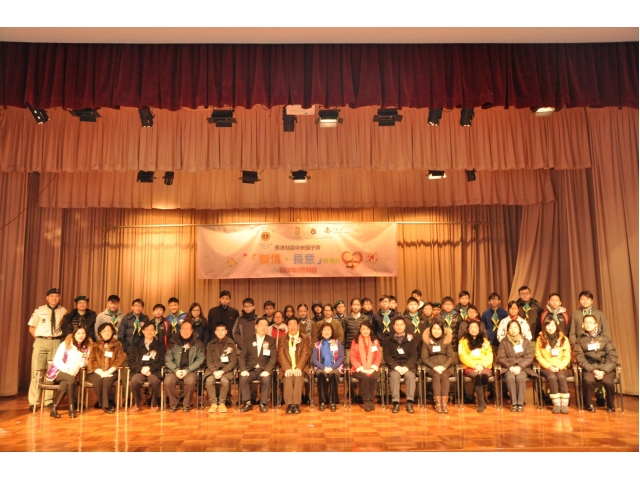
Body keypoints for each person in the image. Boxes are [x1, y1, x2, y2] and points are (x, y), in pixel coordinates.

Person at [27, 287, 67, 410]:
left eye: (57, 296)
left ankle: (48, 400)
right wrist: (41, 339)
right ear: (47, 298)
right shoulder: (39, 310)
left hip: (56, 342)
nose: (54, 298)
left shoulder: (63, 311)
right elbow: (32, 327)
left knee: (52, 372)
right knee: (37, 372)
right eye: (52, 296)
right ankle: (34, 402)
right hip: (41, 341)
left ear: (60, 298)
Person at [575, 314, 618, 413]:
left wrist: (603, 371)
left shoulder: (605, 338)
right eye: (586, 322)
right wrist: (593, 370)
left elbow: (612, 356)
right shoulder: (580, 340)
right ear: (583, 325)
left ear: (596, 324)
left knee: (608, 382)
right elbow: (580, 358)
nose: (588, 324)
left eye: (591, 322)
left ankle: (611, 404)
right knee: (587, 380)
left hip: (605, 367)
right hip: (590, 368)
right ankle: (588, 404)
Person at [47, 326, 92, 418]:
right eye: (78, 333)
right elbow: (57, 360)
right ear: (74, 334)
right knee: (71, 377)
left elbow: (86, 362)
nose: (81, 335)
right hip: (58, 371)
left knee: (65, 384)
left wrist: (78, 365)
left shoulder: (86, 347)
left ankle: (54, 409)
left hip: (73, 373)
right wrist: (68, 370)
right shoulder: (65, 344)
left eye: (83, 333)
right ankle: (71, 407)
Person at [164, 320, 205, 412]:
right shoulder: (173, 342)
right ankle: (174, 403)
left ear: (192, 331)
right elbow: (168, 358)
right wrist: (176, 370)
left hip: (190, 370)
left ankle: (186, 404)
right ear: (180, 330)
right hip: (175, 370)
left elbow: (200, 359)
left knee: (190, 382)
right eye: (183, 329)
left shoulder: (198, 343)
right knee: (168, 381)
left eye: (188, 329)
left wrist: (188, 370)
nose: (185, 331)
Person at [238, 317, 277, 412]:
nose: (263, 327)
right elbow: (242, 356)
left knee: (266, 380)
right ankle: (247, 402)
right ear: (256, 326)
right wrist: (243, 370)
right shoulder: (248, 340)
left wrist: (267, 370)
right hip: (250, 369)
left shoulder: (271, 340)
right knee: (243, 379)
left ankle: (263, 403)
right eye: (261, 325)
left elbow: (273, 358)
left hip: (264, 369)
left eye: (266, 325)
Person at [535, 317, 572, 414]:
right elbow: (538, 356)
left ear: (556, 326)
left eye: (552, 325)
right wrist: (549, 366)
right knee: (552, 377)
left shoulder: (564, 339)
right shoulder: (540, 339)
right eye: (548, 325)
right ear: (544, 327)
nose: (550, 328)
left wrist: (559, 367)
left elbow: (567, 356)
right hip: (546, 367)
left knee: (561, 376)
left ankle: (564, 403)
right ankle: (556, 403)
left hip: (561, 366)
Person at [497, 320, 535, 412]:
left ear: (519, 329)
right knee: (510, 378)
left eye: (515, 327)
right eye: (510, 328)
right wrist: (510, 367)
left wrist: (520, 367)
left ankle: (520, 403)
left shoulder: (525, 341)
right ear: (507, 330)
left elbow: (529, 357)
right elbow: (500, 358)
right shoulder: (504, 341)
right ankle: (514, 403)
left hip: (522, 368)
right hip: (509, 368)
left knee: (520, 378)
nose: (513, 330)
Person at [87, 322, 125, 414]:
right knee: (98, 381)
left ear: (112, 332)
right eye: (104, 331)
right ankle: (105, 402)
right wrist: (101, 372)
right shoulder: (95, 345)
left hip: (112, 371)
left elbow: (119, 359)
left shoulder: (117, 344)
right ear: (100, 333)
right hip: (96, 371)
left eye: (109, 331)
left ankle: (105, 405)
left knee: (107, 381)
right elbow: (92, 360)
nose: (107, 333)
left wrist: (109, 371)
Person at [128, 320, 165, 412]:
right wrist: (141, 369)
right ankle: (137, 403)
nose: (149, 332)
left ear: (155, 331)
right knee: (134, 381)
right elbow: (131, 361)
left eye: (152, 329)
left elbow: (162, 361)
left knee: (154, 381)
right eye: (147, 330)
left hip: (153, 371)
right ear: (143, 331)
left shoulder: (160, 345)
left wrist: (150, 368)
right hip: (139, 371)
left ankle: (154, 403)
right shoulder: (136, 345)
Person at [384, 317, 418, 413]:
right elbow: (387, 356)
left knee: (410, 376)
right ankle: (396, 402)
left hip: (408, 366)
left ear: (405, 326)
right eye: (397, 325)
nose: (399, 327)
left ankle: (410, 402)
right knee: (394, 376)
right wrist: (396, 366)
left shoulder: (411, 339)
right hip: (394, 366)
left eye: (401, 325)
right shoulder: (387, 340)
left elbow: (414, 356)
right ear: (393, 326)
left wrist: (407, 366)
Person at [277, 317, 311, 414]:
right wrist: (287, 368)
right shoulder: (282, 339)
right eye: (290, 325)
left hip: (301, 367)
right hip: (286, 367)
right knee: (288, 377)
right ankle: (289, 405)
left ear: (298, 326)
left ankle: (296, 404)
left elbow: (305, 354)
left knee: (298, 376)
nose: (292, 327)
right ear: (287, 326)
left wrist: (298, 368)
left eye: (294, 324)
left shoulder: (305, 338)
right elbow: (281, 354)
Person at [458, 321, 493, 413]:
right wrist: (475, 365)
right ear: (468, 329)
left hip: (484, 366)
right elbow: (462, 356)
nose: (473, 329)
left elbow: (489, 355)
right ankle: (481, 402)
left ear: (479, 329)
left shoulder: (485, 341)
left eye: (476, 327)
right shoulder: (462, 342)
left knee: (484, 375)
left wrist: (482, 365)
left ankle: (483, 397)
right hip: (470, 367)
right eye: (471, 327)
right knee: (477, 376)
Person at [421, 319, 454, 413]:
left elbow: (450, 356)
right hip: (431, 367)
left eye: (439, 329)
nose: (436, 331)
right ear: (431, 330)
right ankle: (438, 403)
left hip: (446, 367)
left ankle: (444, 403)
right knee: (436, 375)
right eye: (434, 329)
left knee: (444, 375)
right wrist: (434, 367)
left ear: (442, 331)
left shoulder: (447, 341)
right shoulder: (426, 341)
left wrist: (443, 366)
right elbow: (424, 358)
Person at [204, 322, 237, 414]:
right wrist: (214, 371)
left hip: (226, 371)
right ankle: (213, 403)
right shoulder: (211, 344)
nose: (220, 332)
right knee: (209, 381)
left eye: (222, 330)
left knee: (225, 381)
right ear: (215, 332)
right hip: (213, 370)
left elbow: (233, 361)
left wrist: (222, 371)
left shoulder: (231, 343)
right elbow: (209, 361)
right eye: (218, 330)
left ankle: (222, 403)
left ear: (226, 331)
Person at [350, 320, 381, 412]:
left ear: (370, 330)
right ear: (360, 330)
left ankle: (371, 400)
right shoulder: (355, 341)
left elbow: (378, 356)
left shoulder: (375, 341)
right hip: (358, 369)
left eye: (367, 329)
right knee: (365, 377)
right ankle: (367, 401)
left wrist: (373, 368)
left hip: (372, 368)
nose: (365, 331)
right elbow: (352, 357)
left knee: (374, 377)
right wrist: (361, 368)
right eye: (363, 329)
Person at [312, 323, 344, 412]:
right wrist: (324, 368)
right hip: (321, 367)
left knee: (333, 375)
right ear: (321, 332)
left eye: (328, 330)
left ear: (332, 332)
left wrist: (332, 368)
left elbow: (341, 357)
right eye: (324, 330)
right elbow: (314, 359)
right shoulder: (317, 344)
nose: (326, 332)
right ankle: (322, 401)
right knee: (321, 374)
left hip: (335, 367)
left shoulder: (337, 343)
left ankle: (333, 402)